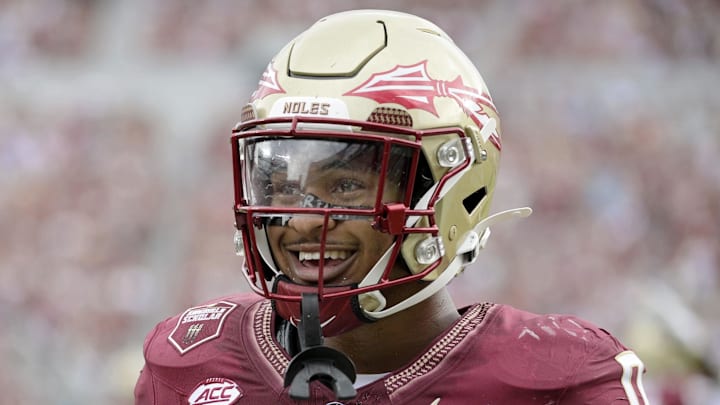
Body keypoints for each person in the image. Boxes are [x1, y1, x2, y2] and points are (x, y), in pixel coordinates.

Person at [135, 9, 649, 404]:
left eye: (345, 185)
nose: (301, 218)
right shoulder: (189, 361)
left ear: (447, 189)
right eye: (283, 184)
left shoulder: (556, 377)